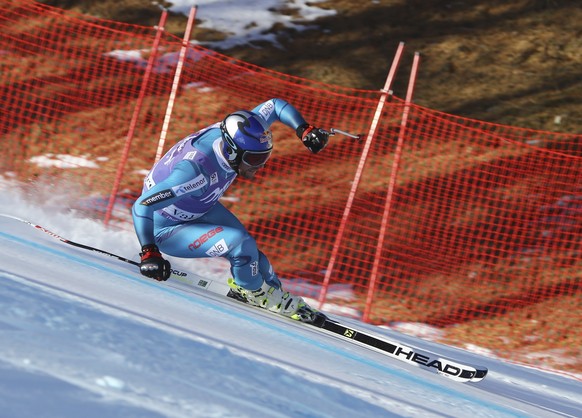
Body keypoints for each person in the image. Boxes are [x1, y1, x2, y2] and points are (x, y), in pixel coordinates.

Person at [132, 98, 329, 321]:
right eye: (254, 158)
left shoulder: (239, 129)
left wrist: (304, 129)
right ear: (233, 151)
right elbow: (142, 204)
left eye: (264, 156)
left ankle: (273, 294)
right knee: (239, 244)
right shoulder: (193, 172)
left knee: (253, 257)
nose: (260, 165)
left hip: (199, 206)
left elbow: (274, 106)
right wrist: (149, 252)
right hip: (166, 228)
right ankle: (256, 293)